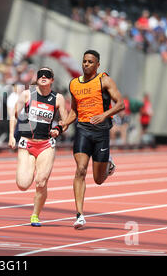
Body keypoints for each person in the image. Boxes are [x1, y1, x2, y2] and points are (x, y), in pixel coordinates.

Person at [61, 50, 125, 229]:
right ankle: (80, 214)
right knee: (80, 169)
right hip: (82, 129)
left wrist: (104, 115)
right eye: (84, 61)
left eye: (90, 62)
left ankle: (108, 165)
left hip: (101, 132)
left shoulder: (104, 80)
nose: (86, 64)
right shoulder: (74, 84)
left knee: (98, 179)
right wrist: (65, 123)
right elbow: (75, 110)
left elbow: (120, 104)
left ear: (97, 64)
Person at [8, 67, 68, 227]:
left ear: (52, 80)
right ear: (36, 79)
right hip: (27, 143)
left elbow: (66, 120)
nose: (43, 77)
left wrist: (58, 129)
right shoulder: (27, 94)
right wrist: (11, 137)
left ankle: (35, 214)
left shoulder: (58, 98)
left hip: (46, 144)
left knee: (41, 181)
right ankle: (35, 173)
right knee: (23, 184)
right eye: (40, 74)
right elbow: (13, 115)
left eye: (47, 75)